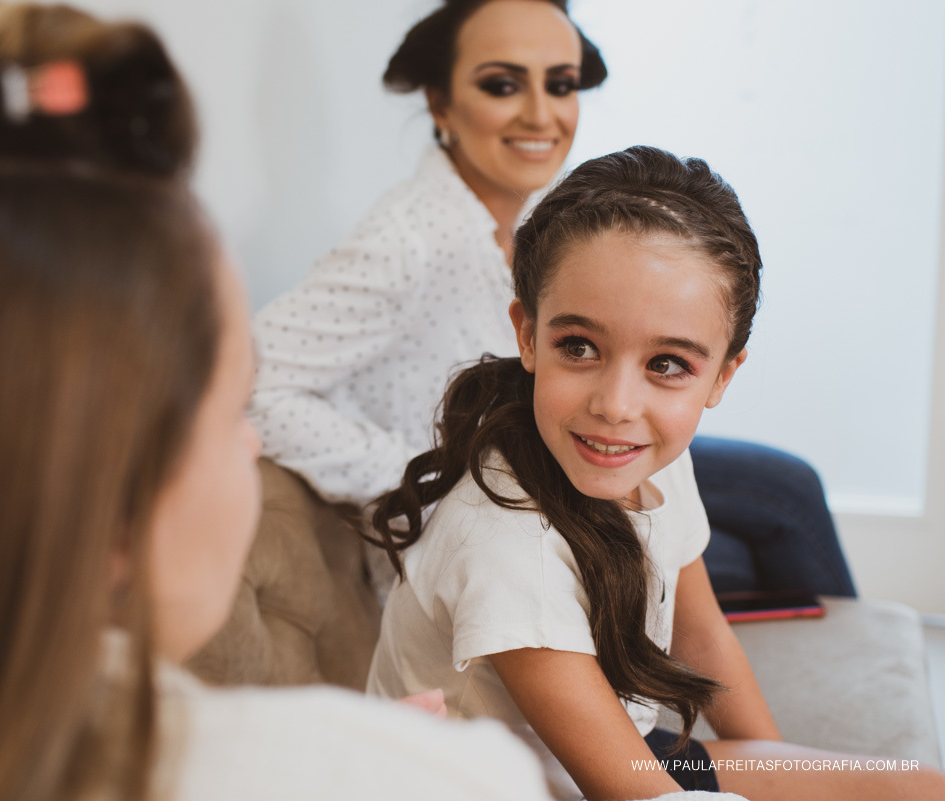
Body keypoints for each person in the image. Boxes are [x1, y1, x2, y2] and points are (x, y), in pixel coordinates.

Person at [0, 11, 738, 801]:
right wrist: (423, 477)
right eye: (225, 415)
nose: (252, 442)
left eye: (561, 82)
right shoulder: (403, 764)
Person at [365, 145, 944, 801]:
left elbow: (702, 637)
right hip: (526, 784)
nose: (615, 405)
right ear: (528, 334)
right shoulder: (508, 554)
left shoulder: (655, 457)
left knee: (914, 787)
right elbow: (634, 792)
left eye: (667, 363)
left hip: (628, 758)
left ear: (722, 374)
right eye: (578, 346)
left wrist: (778, 766)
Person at [249, 0, 854, 597]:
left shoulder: (535, 212)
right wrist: (425, 474)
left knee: (784, 489)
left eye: (560, 85)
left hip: (567, 454)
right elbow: (248, 387)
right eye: (503, 85)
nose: (542, 115)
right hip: (503, 510)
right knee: (770, 518)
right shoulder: (407, 239)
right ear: (440, 103)